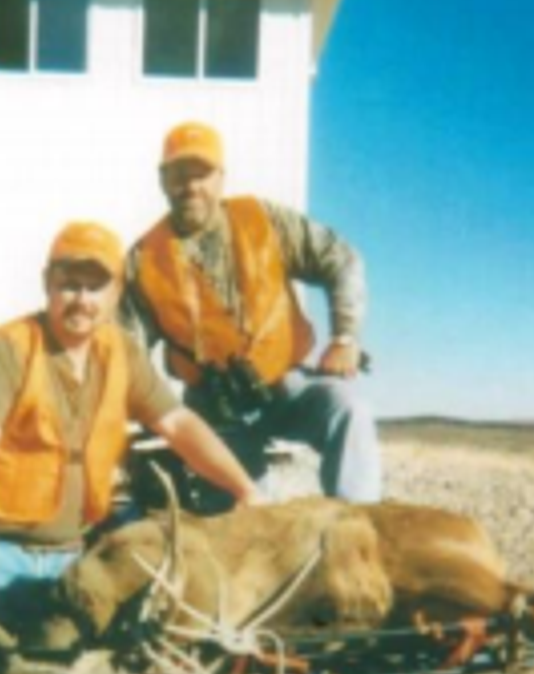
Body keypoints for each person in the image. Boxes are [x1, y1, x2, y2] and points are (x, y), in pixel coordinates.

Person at [0, 219, 262, 657]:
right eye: (69, 284)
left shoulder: (122, 353)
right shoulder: (3, 350)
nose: (82, 300)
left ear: (116, 294)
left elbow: (180, 425)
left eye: (96, 287)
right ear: (47, 284)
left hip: (76, 559)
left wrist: (243, 488)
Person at [121, 120, 382, 507]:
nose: (190, 186)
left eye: (201, 173)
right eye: (179, 175)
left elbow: (341, 259)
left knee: (350, 410)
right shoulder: (142, 261)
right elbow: (126, 352)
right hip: (214, 408)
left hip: (287, 382)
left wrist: (344, 338)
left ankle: (359, 533)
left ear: (221, 178)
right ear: (163, 181)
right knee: (238, 520)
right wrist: (152, 410)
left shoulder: (264, 220)